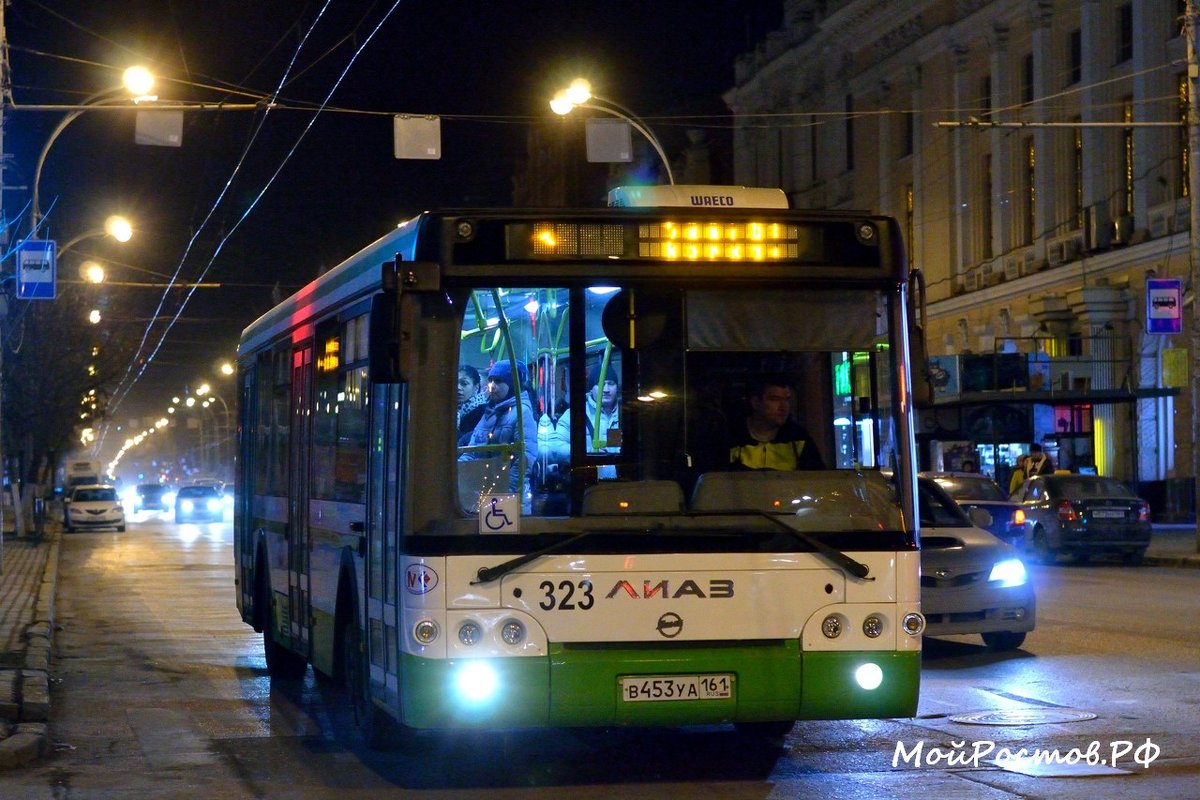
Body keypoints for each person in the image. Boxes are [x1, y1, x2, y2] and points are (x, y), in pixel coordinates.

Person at [459, 360, 539, 495]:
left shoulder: (521, 412)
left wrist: (508, 492)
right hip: (483, 491)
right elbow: (472, 451)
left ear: (512, 384)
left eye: (499, 381)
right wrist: (458, 471)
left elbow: (525, 458)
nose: (492, 386)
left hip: (508, 496)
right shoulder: (489, 412)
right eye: (490, 380)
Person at [727, 374, 825, 470]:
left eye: (787, 400)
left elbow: (817, 480)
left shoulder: (798, 437)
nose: (784, 407)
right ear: (756, 402)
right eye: (775, 399)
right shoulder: (730, 436)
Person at [456, 365, 487, 446]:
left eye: (464, 384)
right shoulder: (451, 409)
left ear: (476, 387)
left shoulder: (483, 411)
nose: (458, 387)